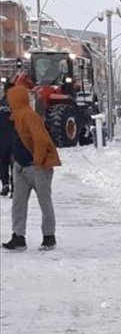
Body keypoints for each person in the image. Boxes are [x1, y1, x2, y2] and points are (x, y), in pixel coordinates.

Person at [2, 85, 60, 251]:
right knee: (18, 203)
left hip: (37, 167)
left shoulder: (29, 115)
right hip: (20, 166)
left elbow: (41, 140)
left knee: (44, 202)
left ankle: (49, 237)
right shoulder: (16, 116)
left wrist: (37, 161)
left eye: (10, 98)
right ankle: (18, 237)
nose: (8, 101)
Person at [0, 80, 13, 197]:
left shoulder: (1, 102)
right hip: (14, 138)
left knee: (3, 162)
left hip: (3, 138)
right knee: (14, 164)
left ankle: (5, 184)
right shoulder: (17, 104)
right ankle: (13, 187)